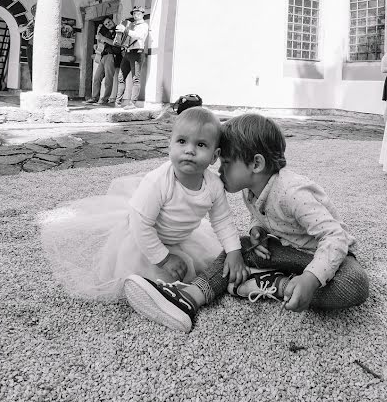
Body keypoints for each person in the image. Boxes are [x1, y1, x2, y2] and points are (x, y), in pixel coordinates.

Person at [123, 113, 370, 333]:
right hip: (286, 252)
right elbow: (262, 216)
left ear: (256, 164)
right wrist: (257, 230)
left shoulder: (293, 192)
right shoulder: (250, 190)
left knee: (355, 285)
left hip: (324, 257)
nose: (219, 171)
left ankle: (275, 283)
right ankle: (189, 296)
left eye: (227, 163)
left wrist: (311, 279)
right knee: (237, 248)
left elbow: (334, 237)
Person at [39, 107, 248, 303]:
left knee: (202, 266)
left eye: (201, 145)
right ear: (170, 145)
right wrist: (164, 259)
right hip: (142, 239)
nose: (190, 150)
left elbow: (222, 220)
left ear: (214, 156)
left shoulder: (213, 186)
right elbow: (141, 226)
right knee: (153, 280)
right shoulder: (158, 182)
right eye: (182, 141)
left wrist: (233, 251)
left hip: (178, 237)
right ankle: (151, 294)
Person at [115, 5, 149, 109]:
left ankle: (132, 103)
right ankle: (117, 102)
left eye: (138, 13)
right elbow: (127, 37)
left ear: (142, 14)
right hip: (127, 53)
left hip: (137, 53)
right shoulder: (131, 25)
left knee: (135, 79)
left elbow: (139, 36)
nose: (135, 15)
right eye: (134, 13)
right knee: (121, 77)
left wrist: (125, 30)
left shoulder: (144, 25)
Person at [85, 17, 120, 105]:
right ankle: (95, 97)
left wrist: (103, 38)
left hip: (111, 56)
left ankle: (105, 99)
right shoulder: (106, 32)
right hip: (103, 56)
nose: (108, 24)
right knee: (96, 78)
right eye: (106, 24)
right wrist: (97, 47)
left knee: (108, 79)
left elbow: (116, 43)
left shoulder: (118, 30)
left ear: (112, 21)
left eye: (109, 22)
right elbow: (103, 43)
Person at [18, 3, 36, 87]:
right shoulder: (30, 22)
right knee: (32, 68)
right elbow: (19, 30)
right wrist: (27, 27)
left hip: (40, 47)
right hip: (31, 46)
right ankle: (34, 86)